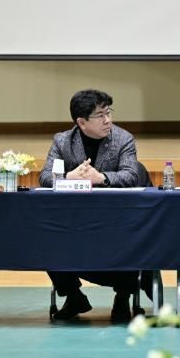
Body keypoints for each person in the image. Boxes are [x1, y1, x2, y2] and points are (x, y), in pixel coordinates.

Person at [40, 89, 139, 322]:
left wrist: (101, 178)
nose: (108, 120)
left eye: (109, 112)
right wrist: (68, 176)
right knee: (46, 236)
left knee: (134, 234)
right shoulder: (63, 141)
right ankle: (73, 296)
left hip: (115, 220)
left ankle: (123, 297)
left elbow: (132, 175)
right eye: (100, 115)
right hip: (75, 221)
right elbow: (45, 177)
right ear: (81, 122)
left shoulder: (123, 139)